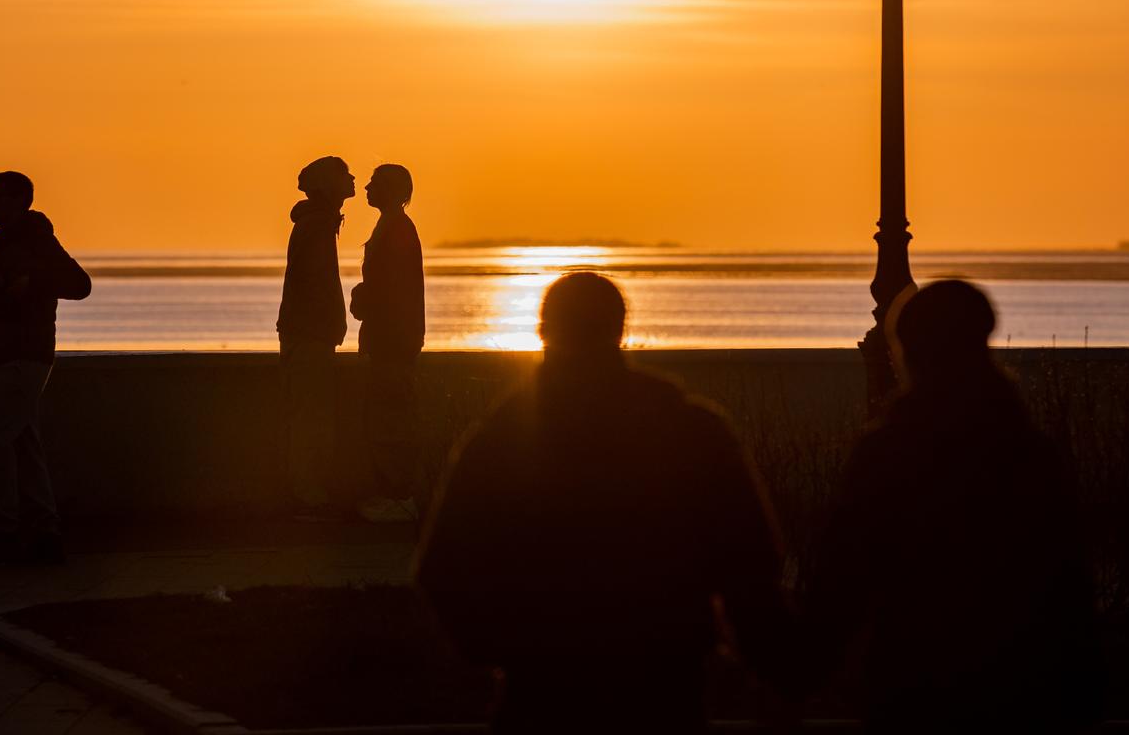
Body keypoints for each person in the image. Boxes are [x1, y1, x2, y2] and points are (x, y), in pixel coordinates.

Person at [416, 272, 789, 733]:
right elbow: (750, 569)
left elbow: (441, 569)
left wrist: (504, 650)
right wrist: (776, 672)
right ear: (621, 329)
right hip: (662, 693)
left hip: (540, 695)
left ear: (542, 330)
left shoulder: (499, 441)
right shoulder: (692, 432)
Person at [788, 279, 1100, 731]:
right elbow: (1070, 593)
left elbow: (841, 587)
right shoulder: (1032, 454)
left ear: (907, 352)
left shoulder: (887, 454)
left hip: (914, 697)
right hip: (1025, 698)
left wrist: (798, 678)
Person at [0, 170, 91, 565]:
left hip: (27, 356)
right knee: (24, 444)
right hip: (10, 357)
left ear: (17, 202)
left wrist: (33, 281)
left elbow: (80, 284)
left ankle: (7, 533)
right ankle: (45, 534)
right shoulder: (1, 243)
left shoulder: (38, 240)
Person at [276, 155, 352, 519]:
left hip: (309, 333)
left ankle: (308, 494)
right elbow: (317, 284)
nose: (353, 179)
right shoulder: (318, 225)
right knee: (311, 418)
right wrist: (331, 324)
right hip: (310, 335)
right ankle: (307, 497)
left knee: (310, 415)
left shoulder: (318, 223)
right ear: (327, 185)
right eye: (345, 174)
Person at [349, 163, 424, 523]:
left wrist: (362, 297)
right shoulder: (393, 227)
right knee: (385, 418)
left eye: (374, 184)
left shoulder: (396, 229)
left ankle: (399, 496)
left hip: (392, 342)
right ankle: (394, 492)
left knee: (391, 420)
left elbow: (392, 290)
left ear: (393, 190)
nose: (366, 187)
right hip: (390, 339)